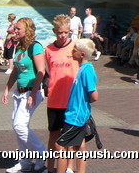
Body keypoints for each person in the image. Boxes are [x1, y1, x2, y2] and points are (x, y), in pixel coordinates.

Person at [2, 17, 48, 173]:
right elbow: (16, 70)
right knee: (18, 126)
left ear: (27, 30)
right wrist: (7, 88)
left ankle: (43, 153)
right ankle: (24, 161)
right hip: (19, 92)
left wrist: (33, 94)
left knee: (19, 125)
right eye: (15, 29)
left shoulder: (35, 47)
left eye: (18, 29)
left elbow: (41, 71)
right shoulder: (19, 47)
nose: (15, 31)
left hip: (32, 91)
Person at [56, 39, 99, 173]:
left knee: (60, 145)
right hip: (75, 113)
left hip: (76, 116)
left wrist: (84, 103)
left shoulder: (86, 71)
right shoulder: (82, 68)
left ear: (82, 54)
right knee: (79, 145)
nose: (72, 51)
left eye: (75, 49)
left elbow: (94, 95)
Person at [44, 14, 79, 173]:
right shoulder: (48, 50)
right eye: (59, 32)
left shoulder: (76, 48)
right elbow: (46, 72)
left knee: (69, 137)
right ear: (54, 31)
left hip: (72, 100)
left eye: (65, 32)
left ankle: (70, 167)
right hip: (54, 99)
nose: (63, 35)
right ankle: (50, 168)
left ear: (70, 31)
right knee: (53, 136)